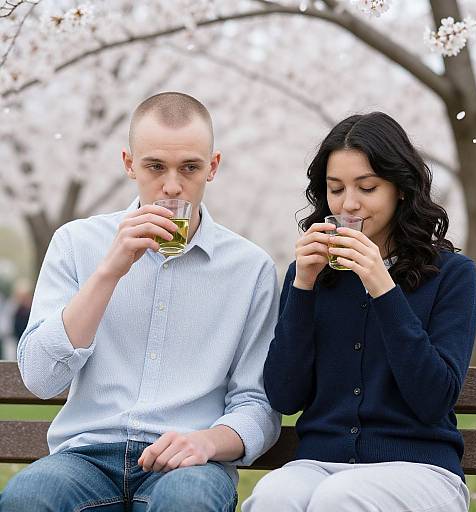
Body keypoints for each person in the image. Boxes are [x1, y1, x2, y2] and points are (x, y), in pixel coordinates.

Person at [1, 92, 281, 512]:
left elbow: (257, 403)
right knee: (29, 499)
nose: (171, 186)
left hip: (188, 462)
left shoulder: (250, 268)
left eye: (190, 167)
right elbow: (41, 379)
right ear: (129, 163)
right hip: (85, 457)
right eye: (154, 166)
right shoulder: (76, 243)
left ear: (213, 167)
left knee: (187, 502)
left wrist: (206, 441)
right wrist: (109, 271)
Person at [243, 112, 476, 512]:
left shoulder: (453, 275)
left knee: (340, 498)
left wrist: (383, 289)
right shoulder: (312, 275)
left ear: (400, 188)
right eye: (336, 190)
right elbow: (285, 395)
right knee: (273, 496)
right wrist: (302, 287)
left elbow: (433, 399)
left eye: (366, 187)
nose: (349, 204)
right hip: (318, 463)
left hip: (420, 469)